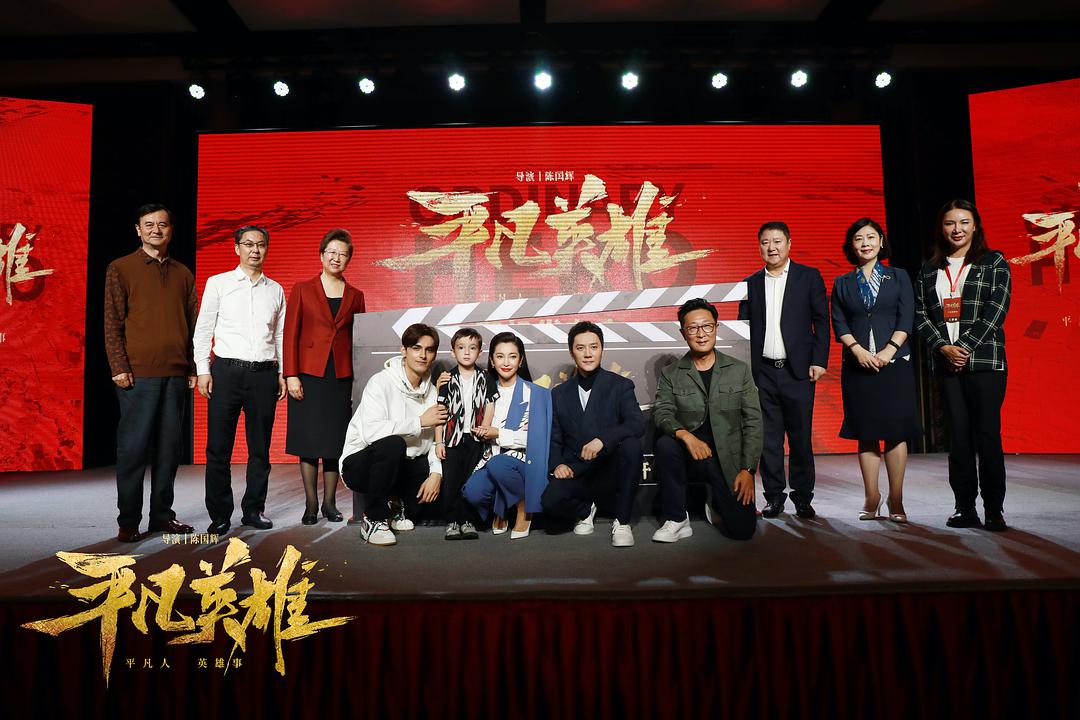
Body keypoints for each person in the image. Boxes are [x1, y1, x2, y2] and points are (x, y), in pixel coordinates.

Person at [914, 199, 1011, 531]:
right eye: (950, 223)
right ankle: (964, 507)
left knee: (987, 435)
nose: (957, 229)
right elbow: (920, 314)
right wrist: (943, 347)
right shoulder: (929, 269)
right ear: (941, 228)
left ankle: (994, 509)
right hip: (946, 363)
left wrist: (964, 347)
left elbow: (997, 310)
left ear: (975, 226)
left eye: (964, 222)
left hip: (984, 362)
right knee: (958, 438)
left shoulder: (993, 262)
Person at [104, 203, 198, 542]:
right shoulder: (121, 268)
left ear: (171, 230)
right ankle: (129, 520)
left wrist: (193, 366)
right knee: (133, 450)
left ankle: (162, 516)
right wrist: (119, 367)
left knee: (169, 449)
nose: (156, 230)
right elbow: (112, 321)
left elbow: (193, 325)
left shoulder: (183, 273)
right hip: (137, 375)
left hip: (176, 374)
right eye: (149, 224)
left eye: (162, 224)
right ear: (138, 229)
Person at [194, 226, 287, 535]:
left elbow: (280, 335)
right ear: (237, 248)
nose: (255, 250)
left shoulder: (275, 290)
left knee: (260, 449)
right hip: (226, 372)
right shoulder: (218, 283)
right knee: (218, 448)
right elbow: (203, 329)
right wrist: (203, 369)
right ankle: (220, 514)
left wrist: (283, 372)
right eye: (248, 244)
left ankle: (254, 510)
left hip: (264, 374)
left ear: (267, 249)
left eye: (260, 244)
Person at [830, 218, 920, 524]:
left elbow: (906, 316)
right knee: (865, 433)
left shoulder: (899, 276)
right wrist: (857, 350)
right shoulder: (843, 282)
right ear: (851, 245)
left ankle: (896, 498)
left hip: (894, 363)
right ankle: (872, 496)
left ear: (881, 242)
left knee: (896, 432)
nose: (865, 243)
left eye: (871, 237)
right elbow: (839, 321)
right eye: (858, 238)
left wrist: (889, 350)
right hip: (858, 366)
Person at [738, 221, 830, 519]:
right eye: (765, 242)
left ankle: (803, 497)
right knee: (769, 439)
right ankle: (774, 497)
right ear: (759, 247)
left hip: (797, 371)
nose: (772, 247)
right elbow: (743, 329)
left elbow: (822, 321)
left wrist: (819, 360)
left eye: (777, 241)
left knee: (801, 437)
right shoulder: (750, 283)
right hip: (763, 372)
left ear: (789, 243)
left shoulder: (809, 277)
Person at [652, 298, 762, 542]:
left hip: (727, 459)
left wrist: (748, 470)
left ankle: (714, 498)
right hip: (690, 453)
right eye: (693, 328)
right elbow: (662, 412)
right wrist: (686, 436)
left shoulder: (739, 370)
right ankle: (677, 518)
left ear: (716, 328)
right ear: (683, 333)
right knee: (665, 444)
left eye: (707, 326)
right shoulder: (671, 373)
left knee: (742, 531)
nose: (701, 334)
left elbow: (753, 422)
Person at [283, 229, 366, 525]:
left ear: (348, 259)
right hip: (308, 375)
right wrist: (291, 375)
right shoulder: (302, 289)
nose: (336, 258)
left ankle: (330, 504)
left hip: (340, 377)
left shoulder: (356, 295)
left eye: (343, 254)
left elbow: (359, 341)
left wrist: (358, 382)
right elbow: (290, 334)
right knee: (307, 441)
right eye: (331, 252)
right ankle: (310, 504)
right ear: (321, 255)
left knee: (334, 443)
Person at [340, 324, 448, 546]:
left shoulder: (432, 392)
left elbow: (434, 442)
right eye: (416, 348)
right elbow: (372, 433)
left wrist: (436, 473)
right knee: (393, 444)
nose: (423, 355)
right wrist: (419, 422)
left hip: (401, 466)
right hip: (360, 465)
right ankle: (373, 519)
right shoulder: (381, 382)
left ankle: (395, 505)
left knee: (441, 460)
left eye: (429, 350)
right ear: (404, 351)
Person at [541, 321, 645, 547]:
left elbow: (637, 423)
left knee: (631, 446)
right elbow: (555, 436)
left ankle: (623, 521)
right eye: (580, 348)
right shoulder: (559, 393)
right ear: (572, 353)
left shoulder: (620, 385)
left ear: (602, 350)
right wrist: (557, 464)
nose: (588, 354)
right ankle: (585, 509)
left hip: (610, 469)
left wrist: (603, 440)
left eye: (594, 347)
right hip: (577, 470)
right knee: (550, 501)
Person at [462, 332, 552, 539]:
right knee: (472, 491)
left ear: (521, 360)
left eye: (512, 356)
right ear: (492, 360)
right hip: (491, 460)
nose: (506, 362)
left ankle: (523, 506)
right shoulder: (481, 392)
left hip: (524, 463)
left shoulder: (537, 394)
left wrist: (498, 433)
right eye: (500, 356)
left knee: (500, 463)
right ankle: (502, 504)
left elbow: (538, 440)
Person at [433, 327, 494, 541]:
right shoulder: (447, 379)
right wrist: (439, 441)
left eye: (472, 348)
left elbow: (490, 404)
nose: (467, 352)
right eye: (461, 347)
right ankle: (452, 521)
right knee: (451, 482)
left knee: (470, 480)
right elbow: (440, 411)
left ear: (480, 352)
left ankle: (468, 520)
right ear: (453, 352)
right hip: (452, 438)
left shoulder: (485, 377)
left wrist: (485, 427)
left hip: (475, 439)